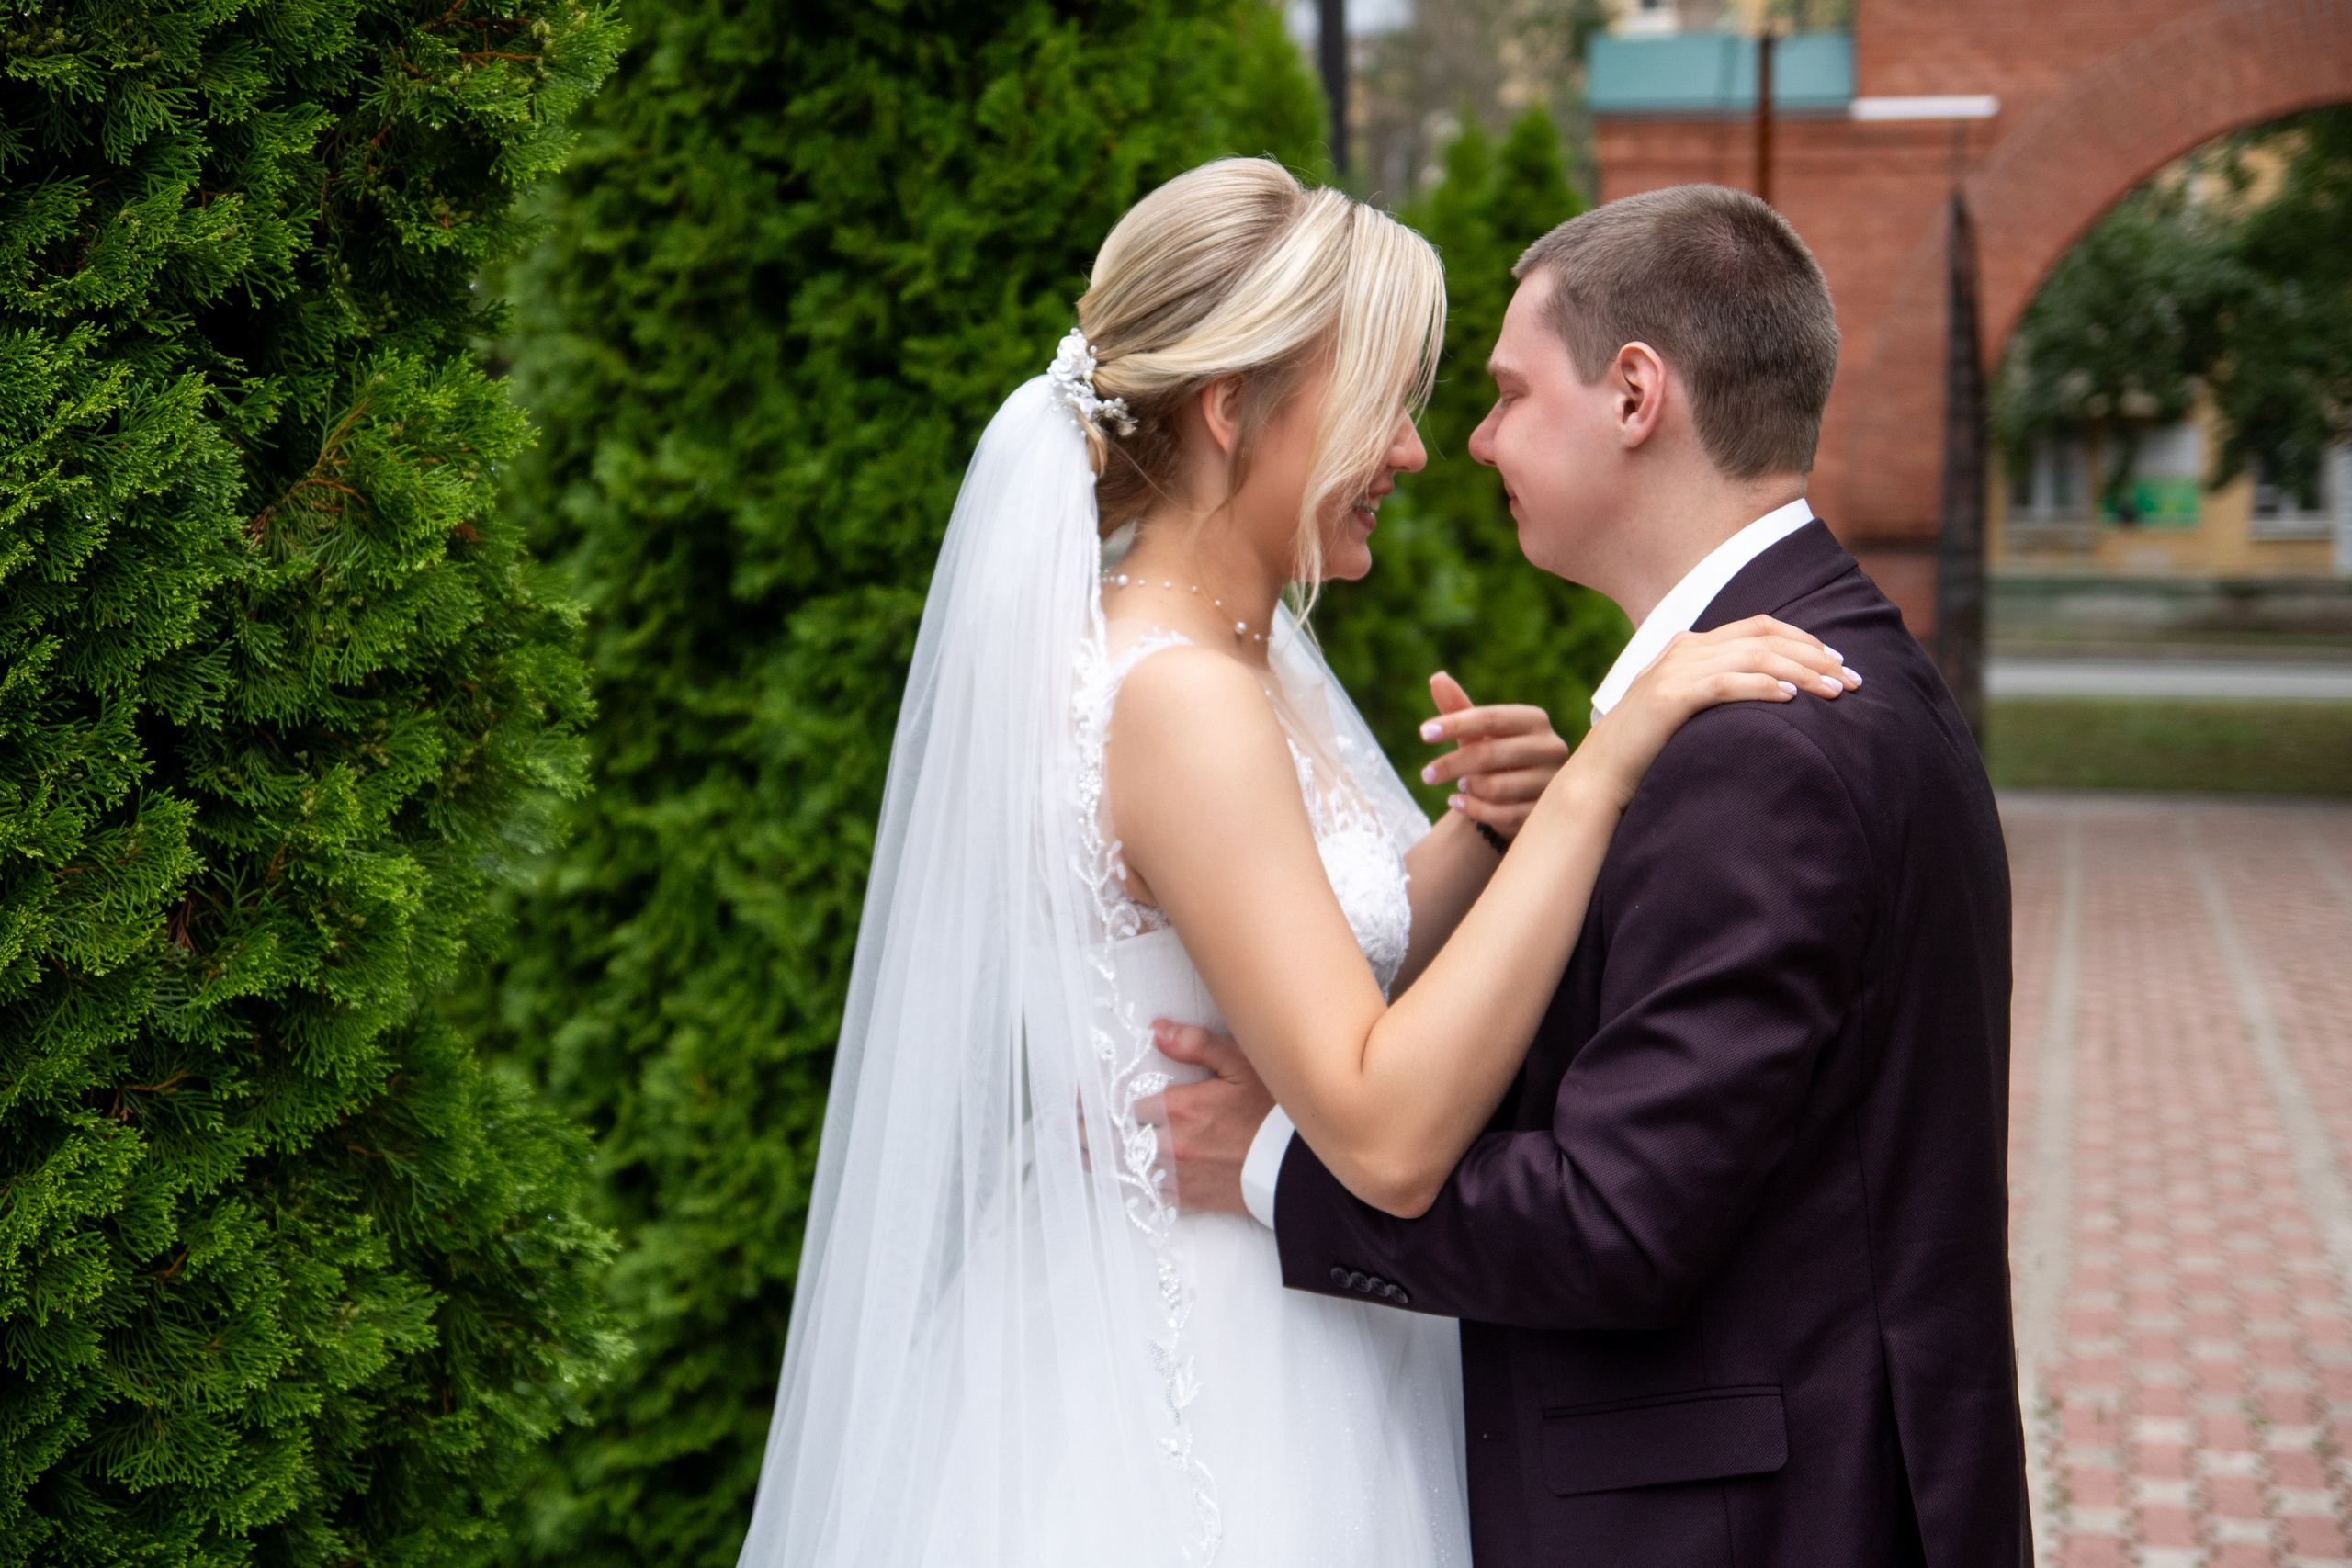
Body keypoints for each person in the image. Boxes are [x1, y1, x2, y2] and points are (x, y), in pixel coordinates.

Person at [734, 161, 1856, 1568]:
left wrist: (1487, 839)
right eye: (1384, 398)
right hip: (1201, 1366)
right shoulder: (1180, 697)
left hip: (1307, 1304)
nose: (1412, 451)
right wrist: (1610, 769)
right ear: (1233, 410)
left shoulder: (1235, 653)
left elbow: (1325, 947)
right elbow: (1383, 1129)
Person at [1160, 184, 2030, 1568]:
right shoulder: (1812, 672)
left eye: (1505, 392)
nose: (1470, 441)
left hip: (1751, 1524)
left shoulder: (1763, 751)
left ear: (1636, 394)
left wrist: (1271, 1162)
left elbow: (1617, 1221)